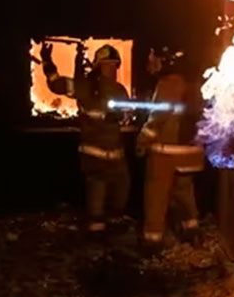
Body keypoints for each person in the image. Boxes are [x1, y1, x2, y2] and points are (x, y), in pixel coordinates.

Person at [42, 41, 130, 235]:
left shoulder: (119, 90)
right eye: (108, 65)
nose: (112, 69)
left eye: (115, 65)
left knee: (121, 191)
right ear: (99, 67)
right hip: (94, 151)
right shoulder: (86, 86)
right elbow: (57, 84)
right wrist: (47, 62)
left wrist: (121, 115)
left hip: (115, 154)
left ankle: (112, 229)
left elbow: (126, 115)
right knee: (97, 191)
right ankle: (96, 234)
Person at [136, 47, 205, 251]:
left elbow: (157, 118)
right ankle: (192, 231)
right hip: (189, 152)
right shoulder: (193, 83)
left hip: (166, 152)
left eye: (153, 56)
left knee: (156, 195)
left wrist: (142, 141)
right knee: (184, 192)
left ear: (165, 60)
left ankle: (152, 240)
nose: (150, 61)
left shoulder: (168, 83)